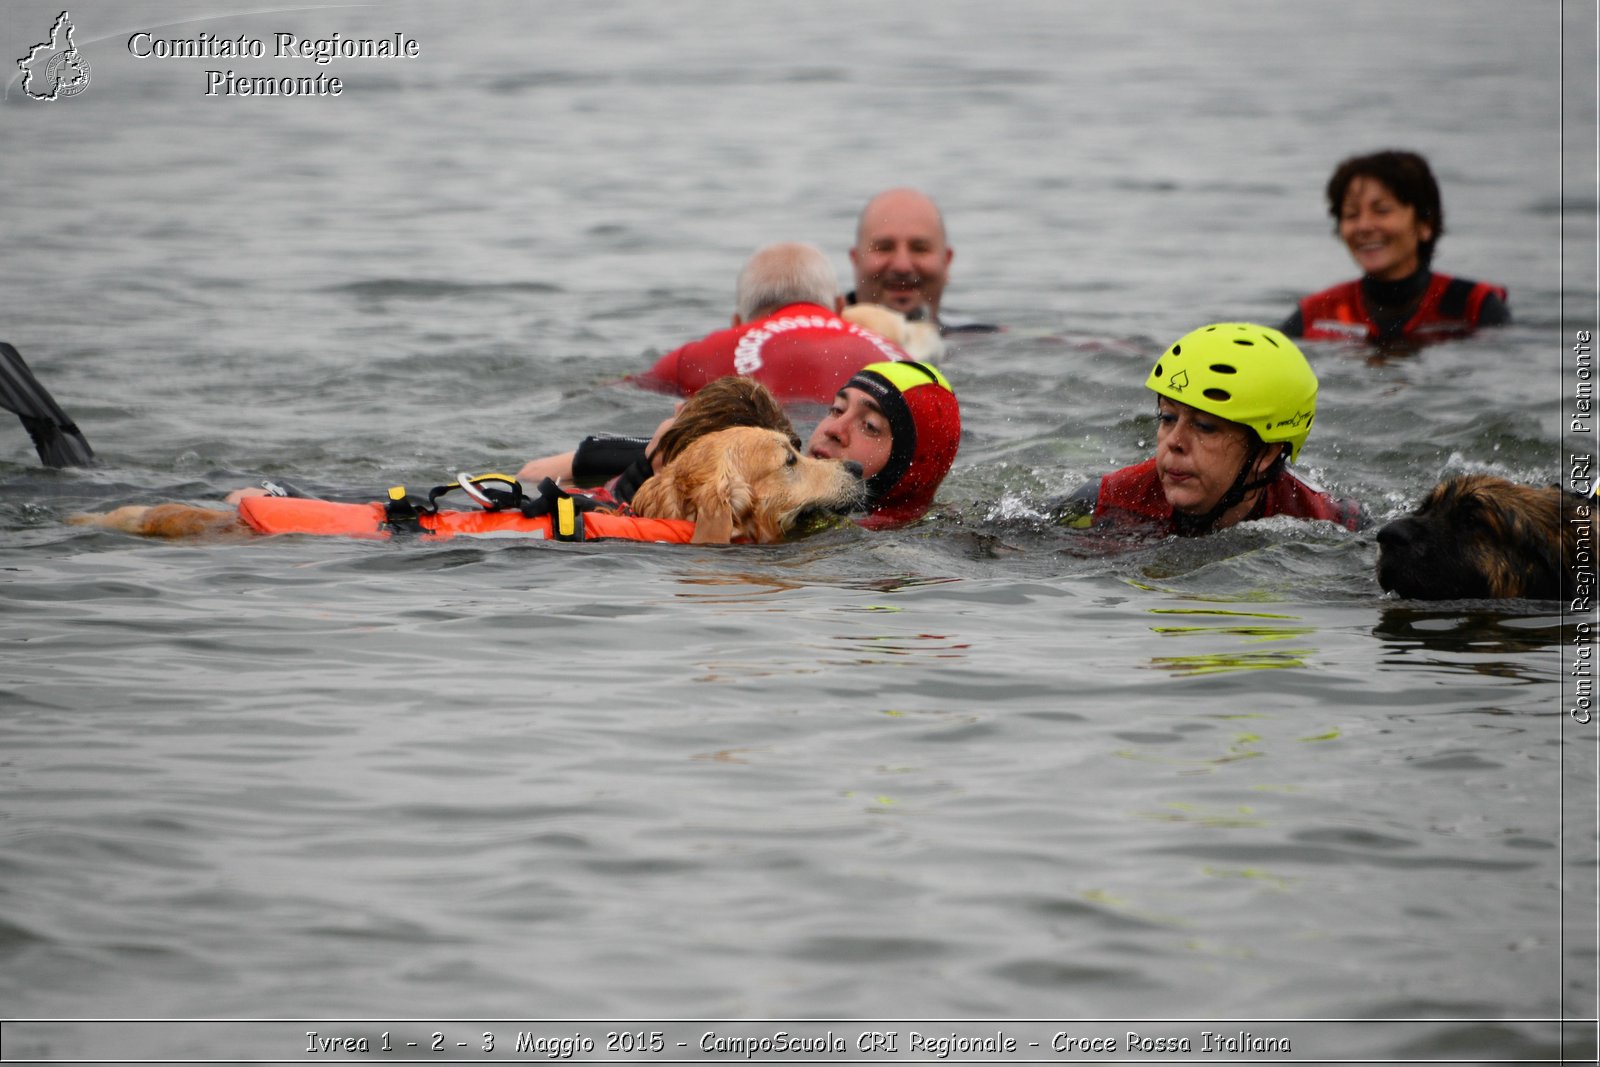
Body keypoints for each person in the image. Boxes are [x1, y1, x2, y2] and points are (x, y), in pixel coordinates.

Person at [528, 362, 962, 530]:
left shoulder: (770, 462)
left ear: (911, 466)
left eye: (869, 426)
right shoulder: (734, 460)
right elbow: (529, 474)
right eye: (834, 409)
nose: (833, 430)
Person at [1057, 323, 1362, 537]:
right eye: (1167, 418)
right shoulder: (1106, 502)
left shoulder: (1331, 524)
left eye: (1205, 426)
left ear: (1267, 452)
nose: (1174, 442)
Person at [1281, 150, 1509, 345]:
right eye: (1351, 214)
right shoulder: (1315, 314)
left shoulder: (1474, 307)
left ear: (1424, 224)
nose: (1364, 226)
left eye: (1382, 210)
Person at [632, 242, 909, 403]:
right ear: (839, 307)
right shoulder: (898, 357)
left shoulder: (696, 357)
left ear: (737, 323)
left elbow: (618, 396)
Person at [845, 187, 997, 335]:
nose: (902, 266)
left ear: (946, 262)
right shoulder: (825, 341)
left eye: (920, 249)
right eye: (884, 248)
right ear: (855, 260)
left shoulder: (981, 340)